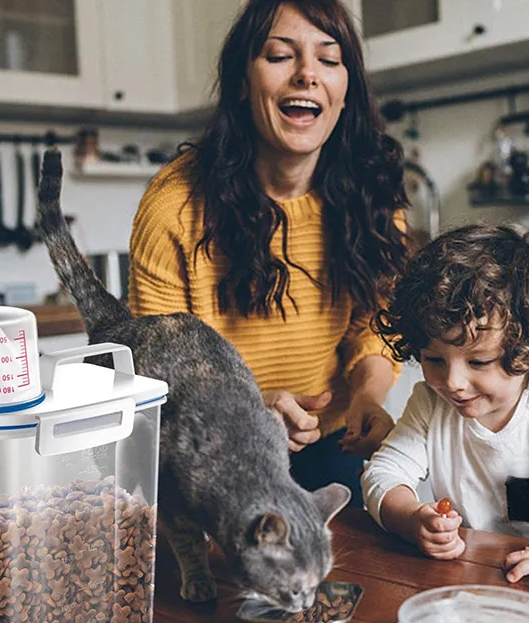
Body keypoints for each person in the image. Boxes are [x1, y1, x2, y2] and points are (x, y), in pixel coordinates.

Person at [127, 0, 408, 505]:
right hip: (212, 447)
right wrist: (250, 411)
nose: (307, 74)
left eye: (329, 59)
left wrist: (368, 395)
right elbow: (157, 366)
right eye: (280, 56)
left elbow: (374, 325)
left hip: (332, 442)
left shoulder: (373, 197)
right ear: (242, 82)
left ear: (347, 90)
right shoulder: (175, 205)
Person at [361, 224, 529, 593]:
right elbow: (384, 472)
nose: (453, 382)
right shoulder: (430, 405)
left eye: (478, 362)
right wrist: (412, 520)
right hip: (476, 579)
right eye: (434, 359)